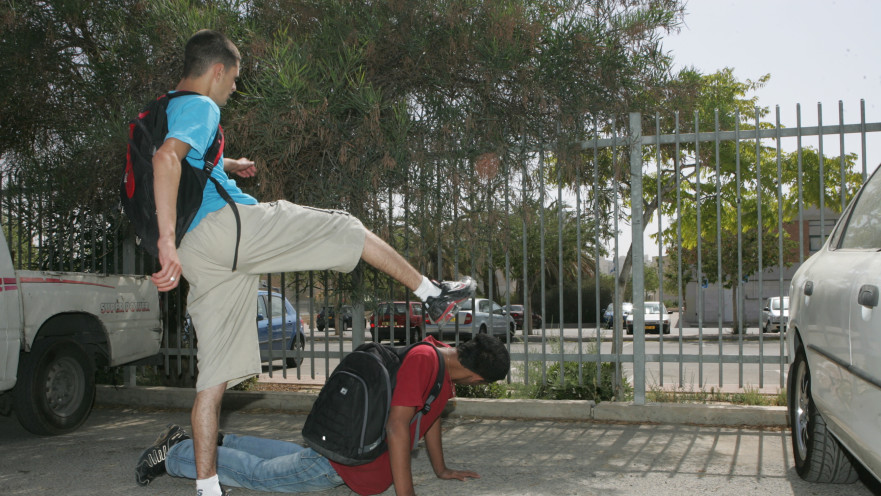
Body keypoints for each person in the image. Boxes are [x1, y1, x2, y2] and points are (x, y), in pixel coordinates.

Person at [139, 29, 476, 496]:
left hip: (204, 254)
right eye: (234, 80)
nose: (233, 89)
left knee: (212, 380)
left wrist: (229, 165)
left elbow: (184, 161)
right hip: (226, 231)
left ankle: (207, 487)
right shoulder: (203, 105)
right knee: (347, 229)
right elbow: (166, 161)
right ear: (216, 71)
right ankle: (432, 294)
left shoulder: (167, 105)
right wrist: (166, 242)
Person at [135, 334, 510, 495]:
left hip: (343, 451)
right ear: (477, 377)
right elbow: (398, 428)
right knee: (260, 476)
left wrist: (442, 469)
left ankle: (216, 440)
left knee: (290, 457)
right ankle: (177, 454)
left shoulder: (443, 361)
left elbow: (429, 420)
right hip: (346, 464)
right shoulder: (426, 362)